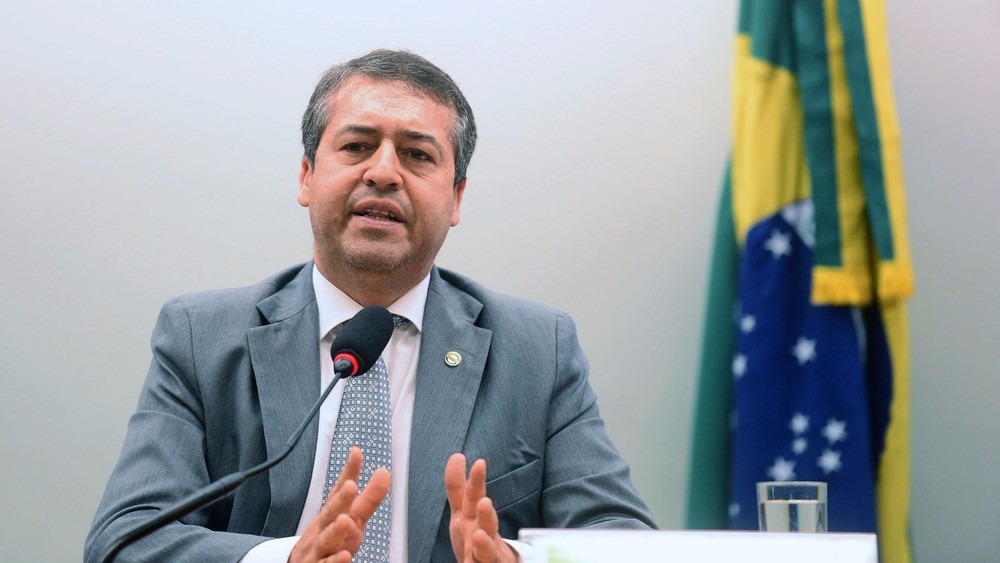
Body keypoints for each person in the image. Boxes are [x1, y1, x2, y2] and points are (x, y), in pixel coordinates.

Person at [85, 49, 655, 563]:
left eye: (416, 155)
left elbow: (622, 537)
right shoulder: (200, 337)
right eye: (357, 146)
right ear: (307, 176)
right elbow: (125, 539)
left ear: (456, 197)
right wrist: (282, 561)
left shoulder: (539, 348)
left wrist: (517, 561)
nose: (383, 173)